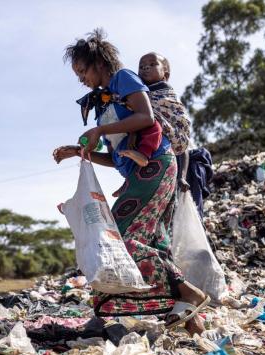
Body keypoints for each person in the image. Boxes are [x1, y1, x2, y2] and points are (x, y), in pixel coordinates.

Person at [53, 29, 209, 334]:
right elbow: (117, 158)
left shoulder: (123, 78)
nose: (81, 79)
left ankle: (189, 293)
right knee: (154, 243)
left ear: (98, 63)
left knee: (118, 239)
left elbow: (147, 117)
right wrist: (79, 152)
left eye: (82, 71)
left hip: (155, 168)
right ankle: (193, 323)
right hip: (138, 174)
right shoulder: (104, 106)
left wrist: (97, 134)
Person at [138, 52, 213, 217]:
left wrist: (182, 176)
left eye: (152, 64)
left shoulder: (169, 101)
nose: (145, 68)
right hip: (159, 165)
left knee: (187, 213)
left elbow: (182, 144)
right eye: (141, 66)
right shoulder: (137, 99)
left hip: (185, 164)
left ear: (166, 74)